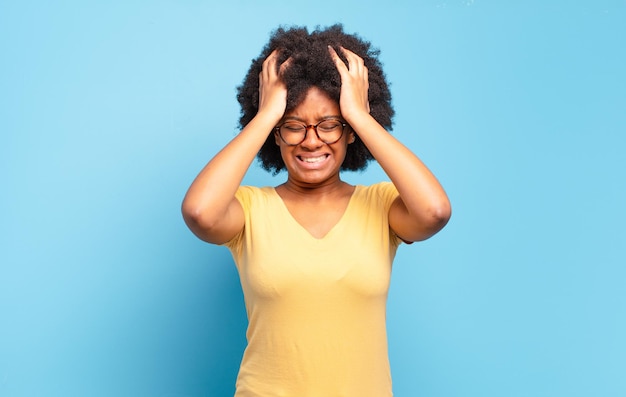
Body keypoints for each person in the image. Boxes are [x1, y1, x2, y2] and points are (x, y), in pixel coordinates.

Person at [182, 24, 451, 397]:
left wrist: (358, 115)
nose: (311, 141)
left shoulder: (381, 206)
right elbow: (199, 212)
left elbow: (435, 211)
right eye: (293, 126)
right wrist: (268, 113)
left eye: (329, 125)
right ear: (276, 134)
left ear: (350, 132)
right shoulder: (249, 210)